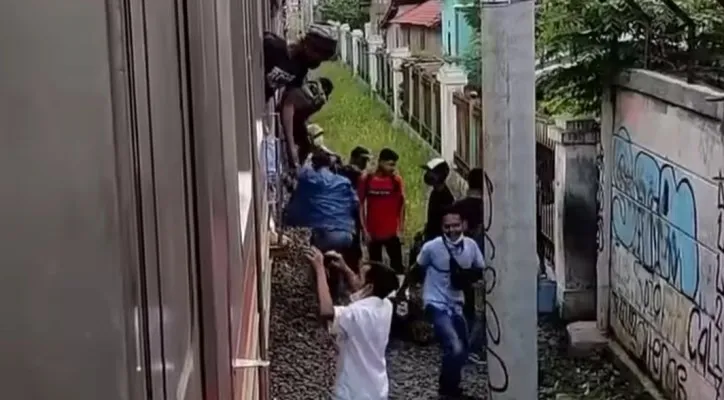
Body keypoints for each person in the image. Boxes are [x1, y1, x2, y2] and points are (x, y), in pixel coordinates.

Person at [397, 205, 484, 398]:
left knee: (462, 350)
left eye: (456, 225)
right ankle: (446, 390)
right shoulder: (432, 248)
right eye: (447, 226)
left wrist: (467, 279)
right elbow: (415, 270)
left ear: (464, 224)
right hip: (435, 302)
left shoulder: (471, 247)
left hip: (458, 304)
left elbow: (481, 270)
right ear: (442, 227)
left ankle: (451, 387)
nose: (452, 230)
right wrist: (403, 293)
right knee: (454, 346)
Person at [304, 247, 399, 399]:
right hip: (377, 389)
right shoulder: (386, 305)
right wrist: (344, 267)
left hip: (353, 392)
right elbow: (362, 288)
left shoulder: (358, 314)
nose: (354, 277)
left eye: (359, 275)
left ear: (369, 288)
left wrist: (320, 269)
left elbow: (327, 311)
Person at [284, 150, 357, 254]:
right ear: (329, 165)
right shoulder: (344, 182)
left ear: (313, 164)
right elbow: (355, 203)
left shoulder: (308, 177)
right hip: (346, 235)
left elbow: (299, 172)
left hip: (324, 235)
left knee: (313, 251)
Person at [358, 148, 406, 275]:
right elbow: (361, 205)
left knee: (397, 267)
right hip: (373, 233)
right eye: (390, 164)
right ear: (380, 162)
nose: (392, 168)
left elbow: (402, 205)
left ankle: (399, 292)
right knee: (376, 268)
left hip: (391, 233)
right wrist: (364, 230)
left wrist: (400, 230)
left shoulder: (396, 181)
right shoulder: (367, 179)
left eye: (394, 165)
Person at [264, 23, 338, 101]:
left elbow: (289, 99)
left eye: (324, 58)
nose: (319, 60)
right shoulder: (274, 47)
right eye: (319, 54)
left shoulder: (300, 71)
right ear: (307, 45)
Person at [280, 78, 334, 169]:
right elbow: (289, 109)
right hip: (288, 115)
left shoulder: (302, 91)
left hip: (291, 113)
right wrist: (291, 148)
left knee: (305, 143)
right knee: (298, 145)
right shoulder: (314, 101)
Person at [422, 158, 455, 241]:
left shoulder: (446, 197)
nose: (427, 174)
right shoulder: (435, 192)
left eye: (430, 172)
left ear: (439, 175)